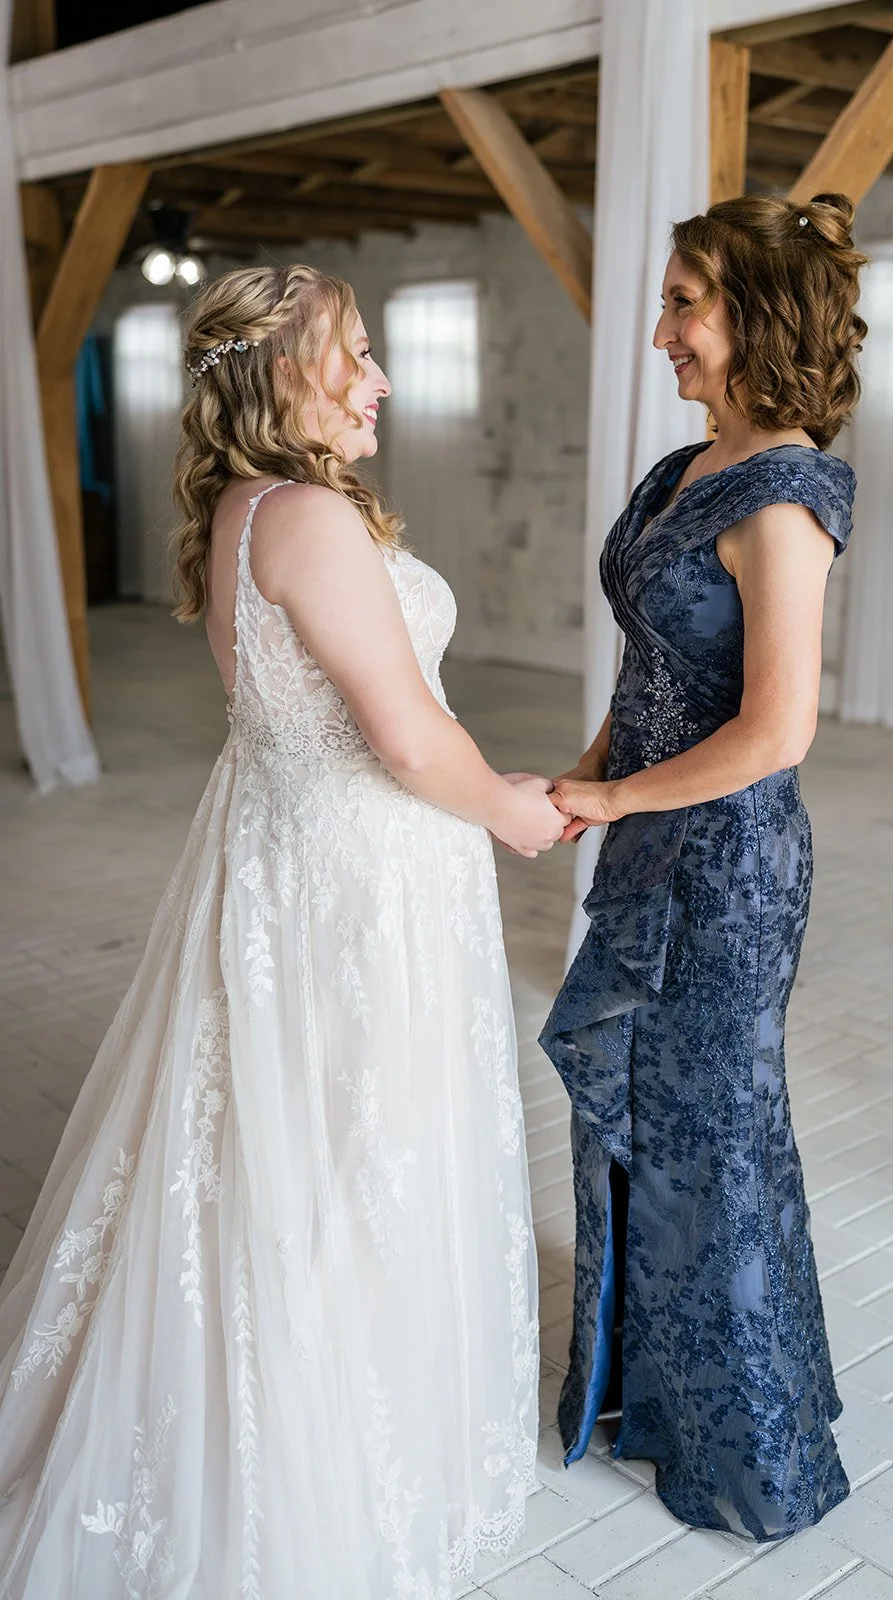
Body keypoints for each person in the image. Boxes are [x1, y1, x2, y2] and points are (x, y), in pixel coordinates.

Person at [0, 264, 565, 1598]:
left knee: (294, 1141)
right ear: (277, 374)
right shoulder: (304, 515)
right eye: (353, 353)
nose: (379, 380)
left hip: (295, 853)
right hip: (361, 874)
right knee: (355, 1147)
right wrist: (510, 809)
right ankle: (318, 1460)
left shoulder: (244, 508)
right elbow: (406, 732)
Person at [540, 193, 867, 1541]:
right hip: (645, 846)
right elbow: (654, 668)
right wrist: (586, 781)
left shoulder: (785, 494)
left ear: (757, 318)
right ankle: (646, 1394)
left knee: (712, 1141)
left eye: (685, 303)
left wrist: (616, 792)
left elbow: (775, 730)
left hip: (727, 872)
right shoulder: (681, 469)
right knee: (634, 1120)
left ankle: (749, 1451)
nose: (662, 330)